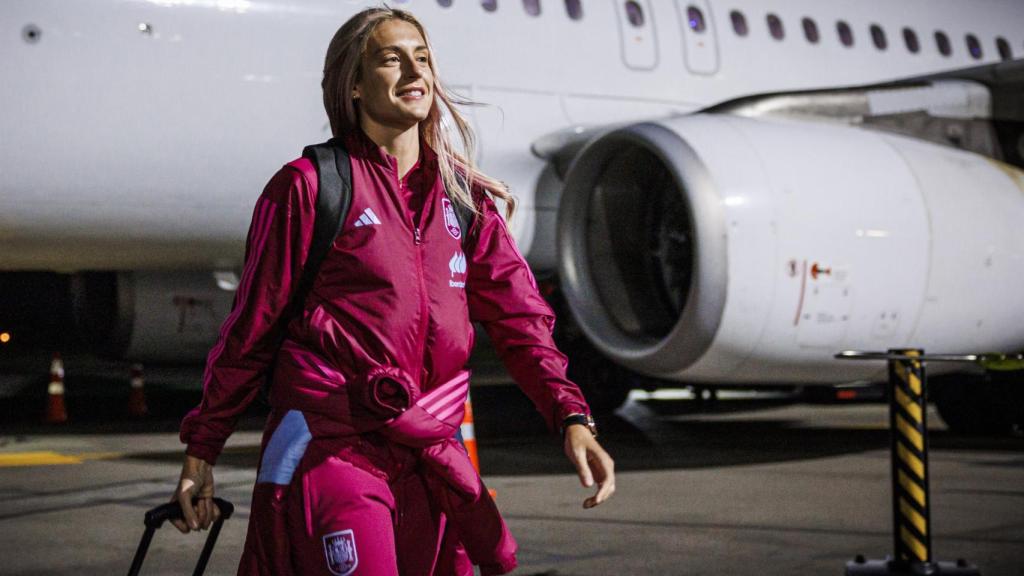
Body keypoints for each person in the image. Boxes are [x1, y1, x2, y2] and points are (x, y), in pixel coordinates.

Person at [171, 6, 615, 575]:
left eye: (423, 58)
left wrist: (572, 416)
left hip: (430, 450)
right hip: (335, 446)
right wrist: (202, 449)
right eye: (391, 58)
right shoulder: (309, 189)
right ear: (353, 85)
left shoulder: (465, 199)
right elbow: (251, 330)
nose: (416, 72)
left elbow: (521, 322)